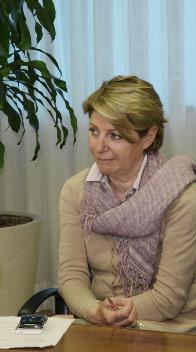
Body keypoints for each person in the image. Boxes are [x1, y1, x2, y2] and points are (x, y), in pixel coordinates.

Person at [58, 75, 196, 334]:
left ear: (148, 137)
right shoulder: (75, 191)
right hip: (99, 326)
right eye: (94, 131)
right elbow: (72, 275)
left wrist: (112, 313)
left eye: (115, 136)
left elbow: (168, 298)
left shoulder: (183, 197)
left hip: (169, 331)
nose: (99, 147)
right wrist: (93, 311)